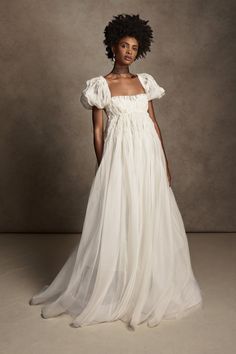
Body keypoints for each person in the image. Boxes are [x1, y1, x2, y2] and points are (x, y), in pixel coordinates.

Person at [29, 13, 203, 330]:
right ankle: (117, 284)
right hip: (120, 159)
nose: (129, 52)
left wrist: (164, 161)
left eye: (134, 47)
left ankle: (145, 282)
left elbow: (153, 123)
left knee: (148, 213)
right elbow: (97, 133)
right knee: (121, 215)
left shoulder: (145, 82)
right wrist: (103, 168)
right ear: (112, 46)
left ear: (140, 51)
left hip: (148, 157)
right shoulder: (100, 86)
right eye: (124, 45)